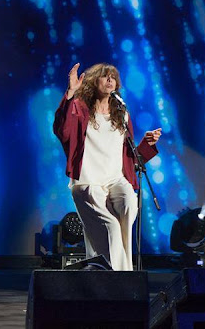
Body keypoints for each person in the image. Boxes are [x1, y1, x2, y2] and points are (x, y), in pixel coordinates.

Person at [53, 62, 162, 271]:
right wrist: (70, 93)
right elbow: (62, 130)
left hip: (115, 180)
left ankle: (107, 270)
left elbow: (130, 157)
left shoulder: (121, 113)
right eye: (105, 76)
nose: (110, 79)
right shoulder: (79, 109)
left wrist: (147, 144)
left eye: (113, 76)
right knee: (111, 228)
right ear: (93, 81)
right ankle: (121, 277)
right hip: (88, 182)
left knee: (130, 204)